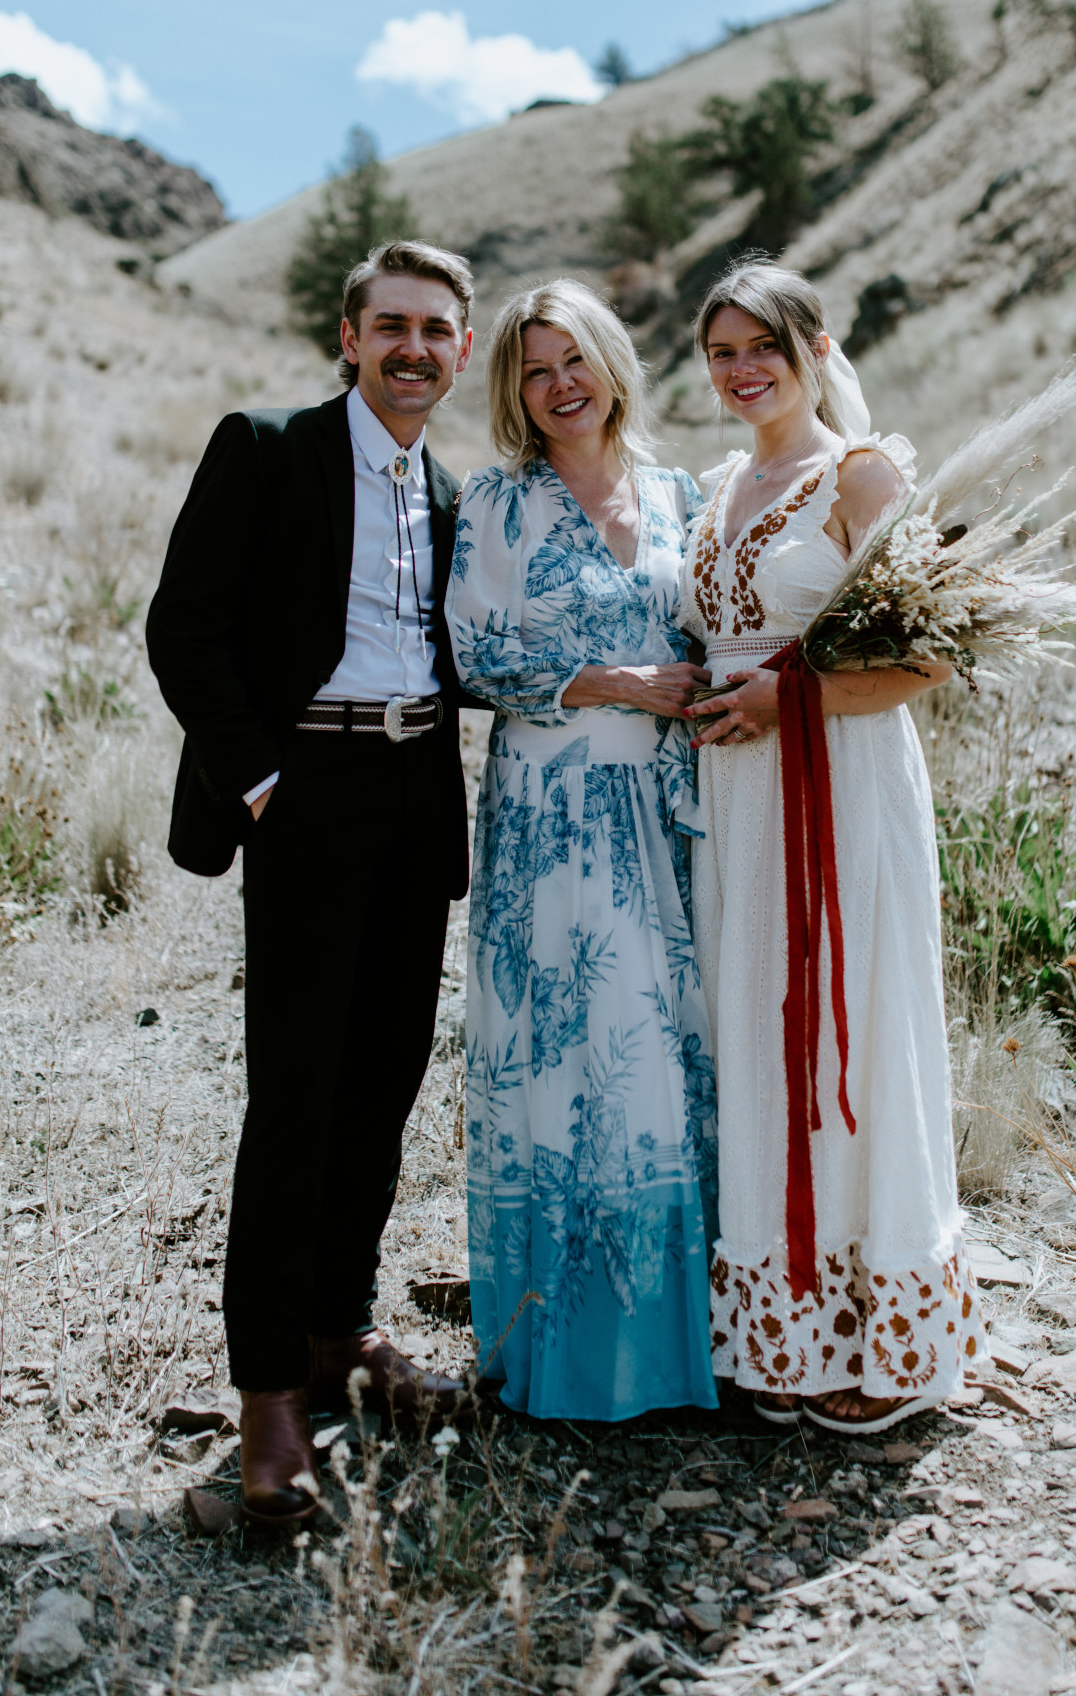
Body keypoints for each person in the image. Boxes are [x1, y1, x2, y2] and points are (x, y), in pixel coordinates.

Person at [147, 238, 480, 1522]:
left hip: (412, 800)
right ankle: (271, 1396)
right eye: (390, 325)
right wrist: (263, 783)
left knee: (384, 1080)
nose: (412, 348)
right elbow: (186, 625)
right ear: (349, 337)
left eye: (436, 330)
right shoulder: (269, 446)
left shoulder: (449, 493)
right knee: (295, 1098)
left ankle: (346, 1331)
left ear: (459, 348)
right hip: (305, 794)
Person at [680, 260, 985, 1432]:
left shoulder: (859, 474)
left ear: (813, 345)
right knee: (757, 1032)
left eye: (762, 343)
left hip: (839, 784)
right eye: (719, 351)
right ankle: (783, 1328)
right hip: (737, 803)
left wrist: (783, 703)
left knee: (849, 1028)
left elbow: (931, 659)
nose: (741, 368)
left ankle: (883, 1337)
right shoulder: (716, 489)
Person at [446, 279, 719, 1420]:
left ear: (611, 363)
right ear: (514, 390)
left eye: (574, 361)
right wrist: (612, 682)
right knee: (564, 1065)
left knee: (666, 1057)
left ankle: (674, 1343)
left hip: (663, 814)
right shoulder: (496, 505)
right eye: (533, 370)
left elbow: (713, 635)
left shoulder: (680, 494)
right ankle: (563, 1353)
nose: (558, 386)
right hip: (552, 818)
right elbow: (468, 658)